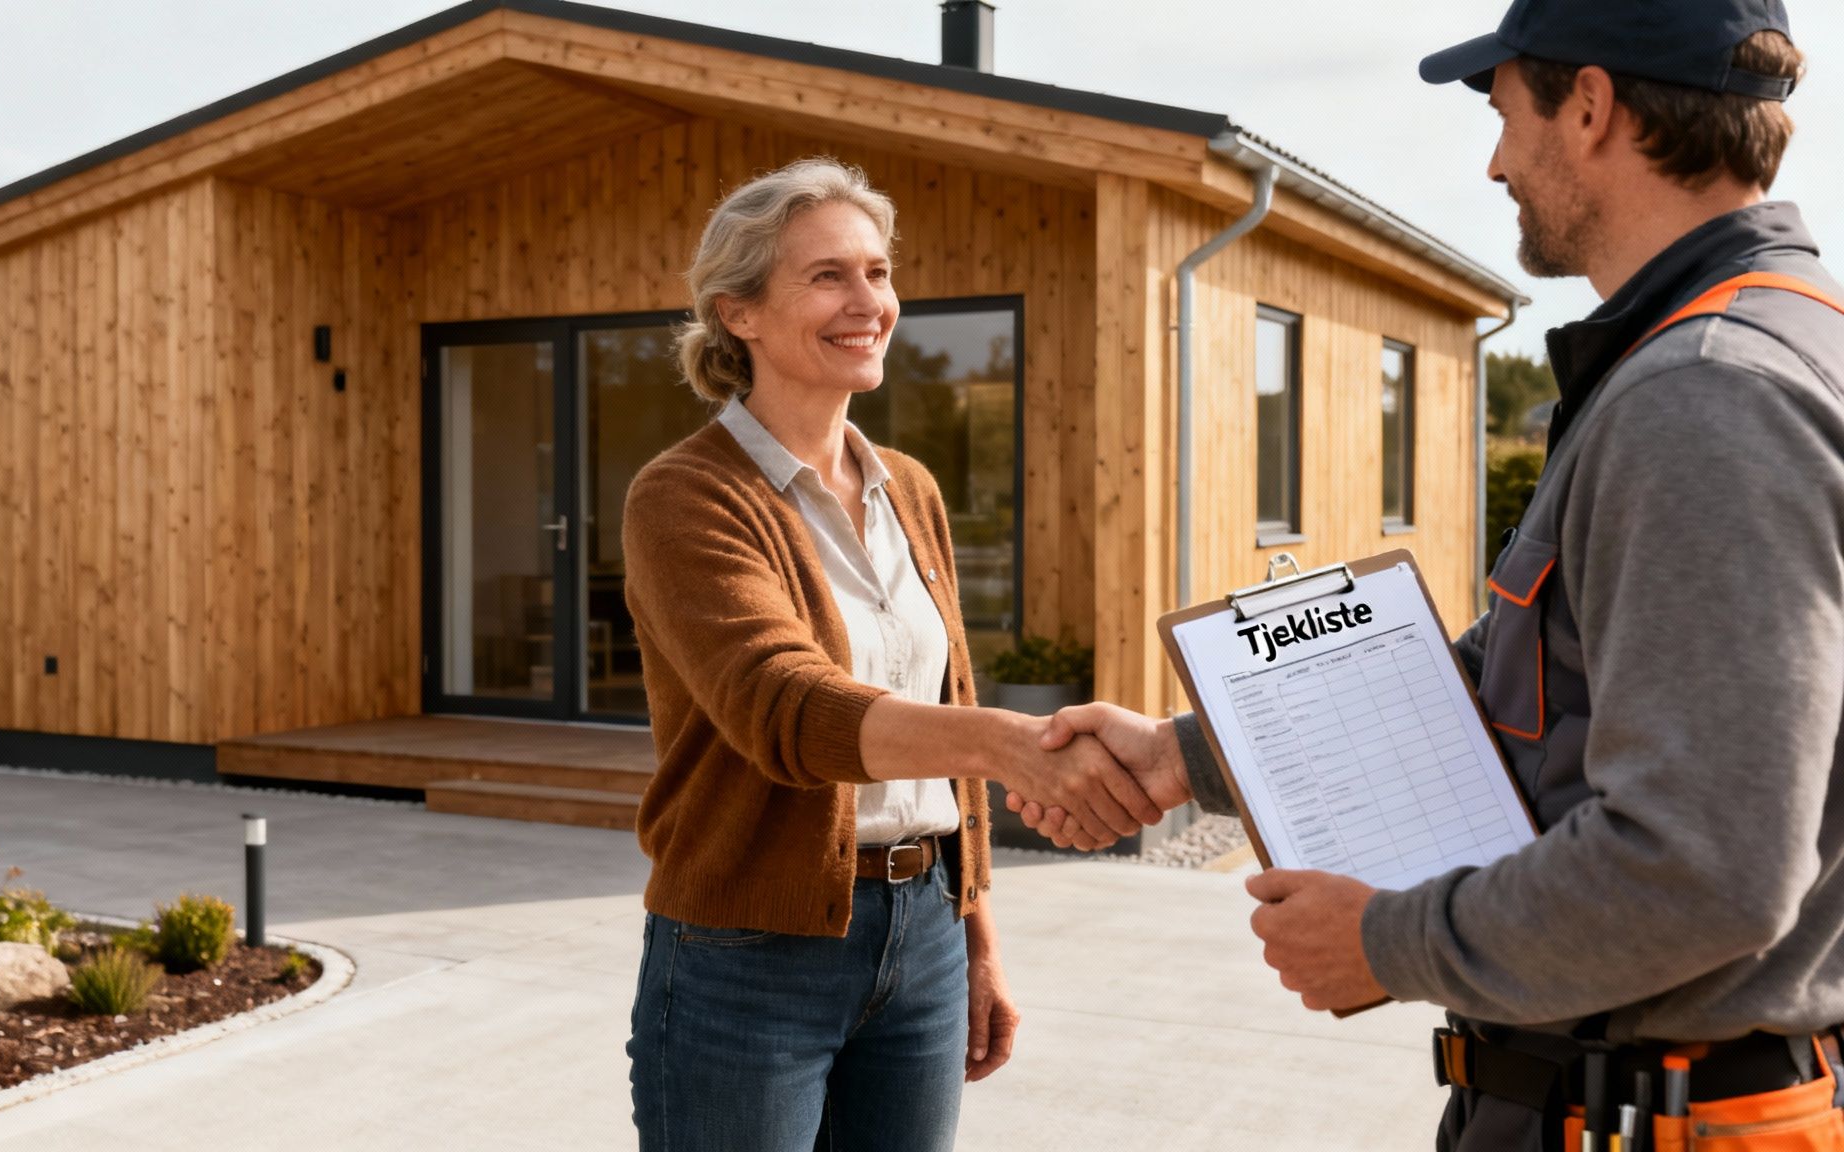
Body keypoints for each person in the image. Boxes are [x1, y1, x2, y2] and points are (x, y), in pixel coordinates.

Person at [1017, 1, 1844, 1147]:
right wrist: (1182, 758)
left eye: (1505, 116)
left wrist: (1382, 938)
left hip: (1653, 1117)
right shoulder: (1736, 352)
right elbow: (1506, 684)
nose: (1494, 161)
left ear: (1592, 107)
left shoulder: (1702, 398)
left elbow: (1701, 869)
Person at [620, 157, 1164, 1152]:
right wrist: (1009, 743)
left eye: (876, 272)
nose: (866, 301)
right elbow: (783, 708)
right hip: (746, 958)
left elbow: (945, 696)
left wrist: (976, 939)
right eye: (827, 275)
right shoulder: (685, 495)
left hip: (921, 939)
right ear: (737, 312)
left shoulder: (906, 487)